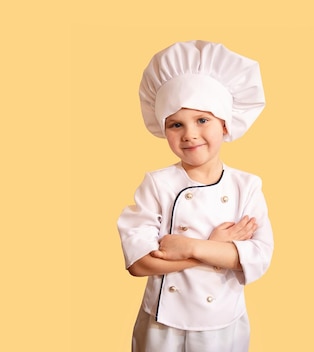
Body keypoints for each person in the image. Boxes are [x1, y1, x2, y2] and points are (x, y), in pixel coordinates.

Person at [117, 40, 274, 351]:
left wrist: (186, 246)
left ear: (226, 124)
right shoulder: (157, 184)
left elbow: (257, 257)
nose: (189, 134)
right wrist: (217, 249)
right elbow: (138, 263)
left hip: (222, 324)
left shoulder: (247, 186)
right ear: (164, 130)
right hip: (162, 325)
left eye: (202, 120)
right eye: (176, 124)